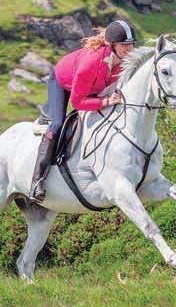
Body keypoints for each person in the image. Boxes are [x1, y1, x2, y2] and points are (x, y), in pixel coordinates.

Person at [30, 19, 138, 202]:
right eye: (124, 45)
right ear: (112, 45)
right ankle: (37, 180)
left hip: (91, 88)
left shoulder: (124, 62)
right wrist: (105, 101)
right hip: (62, 82)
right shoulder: (92, 63)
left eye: (131, 44)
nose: (129, 50)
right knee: (57, 124)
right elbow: (78, 101)